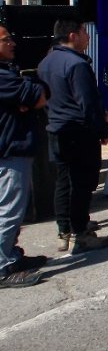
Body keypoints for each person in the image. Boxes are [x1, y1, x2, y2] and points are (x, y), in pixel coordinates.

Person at [37, 20, 108, 254]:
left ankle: (65, 227)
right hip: (79, 132)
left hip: (56, 128)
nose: (88, 37)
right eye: (84, 33)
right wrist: (102, 129)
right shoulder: (76, 65)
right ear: (72, 35)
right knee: (81, 184)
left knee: (63, 181)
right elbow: (87, 103)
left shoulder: (45, 63)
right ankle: (81, 233)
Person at [0, 25, 48, 287]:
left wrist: (27, 96)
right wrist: (28, 93)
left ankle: (10, 255)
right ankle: (2, 266)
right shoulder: (4, 78)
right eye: (6, 40)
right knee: (8, 210)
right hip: (10, 151)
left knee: (11, 209)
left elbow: (35, 96)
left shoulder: (8, 75)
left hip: (12, 149)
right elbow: (39, 97)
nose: (13, 43)